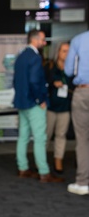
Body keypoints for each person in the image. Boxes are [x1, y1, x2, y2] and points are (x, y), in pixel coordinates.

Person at [13, 29, 64, 183]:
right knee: (40, 138)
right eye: (42, 39)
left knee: (23, 137)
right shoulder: (35, 58)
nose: (44, 42)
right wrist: (40, 99)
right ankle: (44, 172)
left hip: (22, 102)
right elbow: (35, 82)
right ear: (35, 40)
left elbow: (16, 81)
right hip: (34, 104)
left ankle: (23, 168)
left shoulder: (21, 56)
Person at [65, 29, 89, 195]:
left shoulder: (79, 40)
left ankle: (83, 182)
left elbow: (68, 70)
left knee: (82, 139)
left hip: (83, 91)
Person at [44, 41, 73, 174]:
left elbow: (75, 85)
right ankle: (42, 160)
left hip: (65, 107)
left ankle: (58, 160)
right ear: (58, 52)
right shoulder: (50, 66)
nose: (66, 54)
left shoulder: (72, 68)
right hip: (51, 106)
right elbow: (44, 83)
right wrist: (53, 83)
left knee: (61, 135)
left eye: (68, 51)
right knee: (46, 135)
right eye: (63, 51)